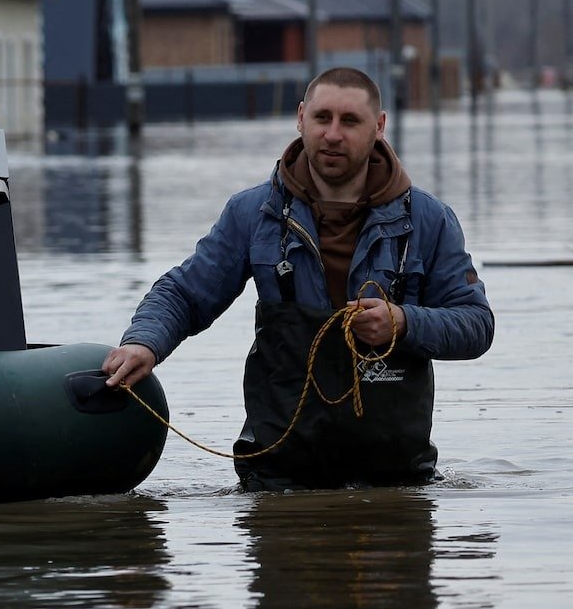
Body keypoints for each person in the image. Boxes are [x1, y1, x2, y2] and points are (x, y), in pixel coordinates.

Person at [103, 67, 493, 490]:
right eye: (323, 118)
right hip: (277, 478)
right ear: (301, 117)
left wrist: (403, 322)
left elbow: (476, 324)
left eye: (350, 121)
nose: (333, 134)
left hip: (396, 483)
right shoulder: (253, 213)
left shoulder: (429, 220)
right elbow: (183, 294)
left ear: (379, 127)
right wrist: (143, 342)